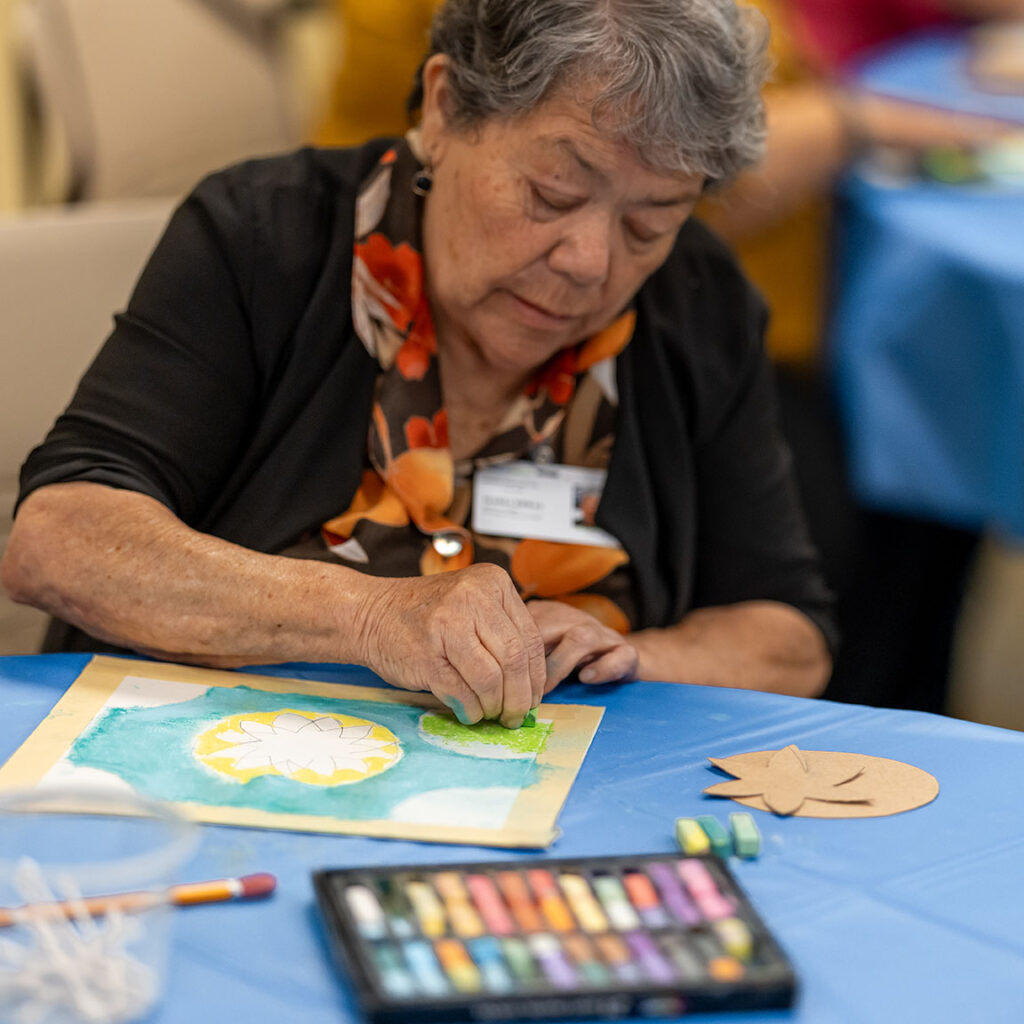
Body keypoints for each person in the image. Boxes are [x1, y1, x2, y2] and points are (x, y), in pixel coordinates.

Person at [2, 0, 835, 729]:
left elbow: (789, 637)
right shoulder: (265, 235)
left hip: (550, 823)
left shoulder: (696, 299)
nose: (590, 261)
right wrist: (370, 618)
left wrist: (634, 655)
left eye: (649, 224)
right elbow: (60, 537)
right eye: (551, 193)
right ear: (444, 108)